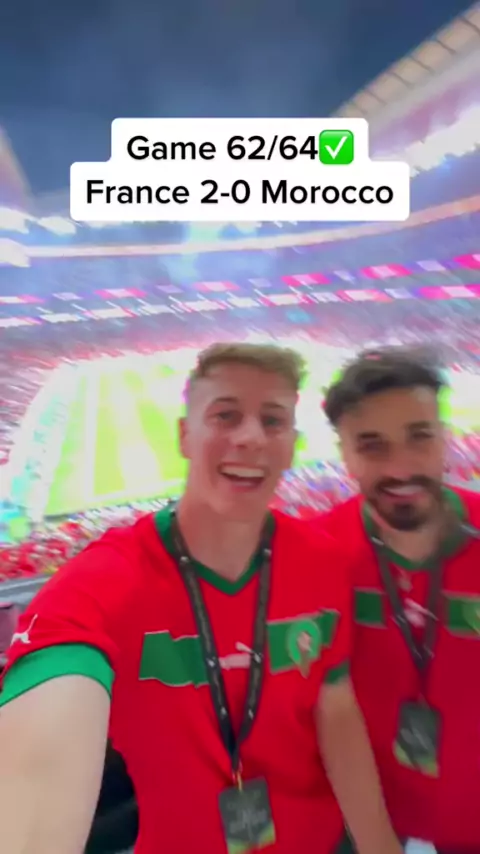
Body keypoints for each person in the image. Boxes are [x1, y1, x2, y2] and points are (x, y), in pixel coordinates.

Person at [0, 342, 400, 854]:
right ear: (185, 436)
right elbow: (55, 682)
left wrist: (379, 843)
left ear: (292, 444)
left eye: (273, 420)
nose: (251, 437)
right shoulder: (107, 579)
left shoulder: (323, 562)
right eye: (225, 415)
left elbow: (336, 710)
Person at [318, 347, 480, 854]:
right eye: (372, 446)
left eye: (419, 436)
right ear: (345, 454)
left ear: (444, 438)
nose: (401, 467)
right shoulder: (315, 554)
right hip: (364, 815)